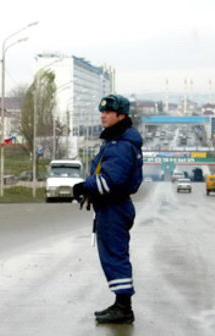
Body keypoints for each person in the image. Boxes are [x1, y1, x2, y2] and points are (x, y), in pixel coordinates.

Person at [72, 94, 143, 324]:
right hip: (111, 206)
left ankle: (124, 308)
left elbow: (113, 180)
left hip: (115, 207)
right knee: (113, 255)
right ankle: (120, 303)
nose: (102, 115)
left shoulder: (122, 145)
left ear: (120, 115)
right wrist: (90, 191)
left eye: (107, 112)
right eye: (102, 111)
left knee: (115, 256)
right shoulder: (115, 140)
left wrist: (85, 185)